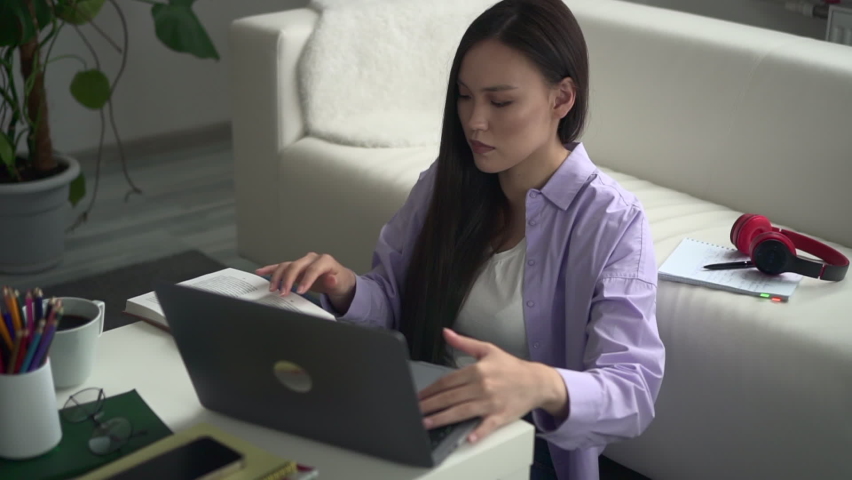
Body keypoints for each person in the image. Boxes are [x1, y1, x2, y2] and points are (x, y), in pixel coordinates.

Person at [257, 0, 665, 478]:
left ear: (562, 99)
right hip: (414, 421)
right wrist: (345, 289)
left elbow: (633, 391)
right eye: (465, 96)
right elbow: (393, 301)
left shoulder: (611, 222)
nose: (474, 121)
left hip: (523, 453)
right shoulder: (444, 184)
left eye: (500, 101)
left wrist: (539, 384)